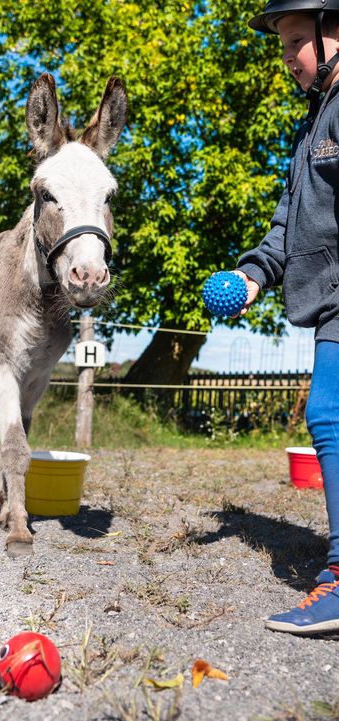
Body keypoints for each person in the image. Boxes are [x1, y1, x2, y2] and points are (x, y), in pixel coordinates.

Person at [234, 0, 339, 635]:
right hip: (328, 292)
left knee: (329, 411)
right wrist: (254, 272)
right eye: (282, 45)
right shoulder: (312, 126)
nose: (287, 57)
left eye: (297, 40)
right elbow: (289, 221)